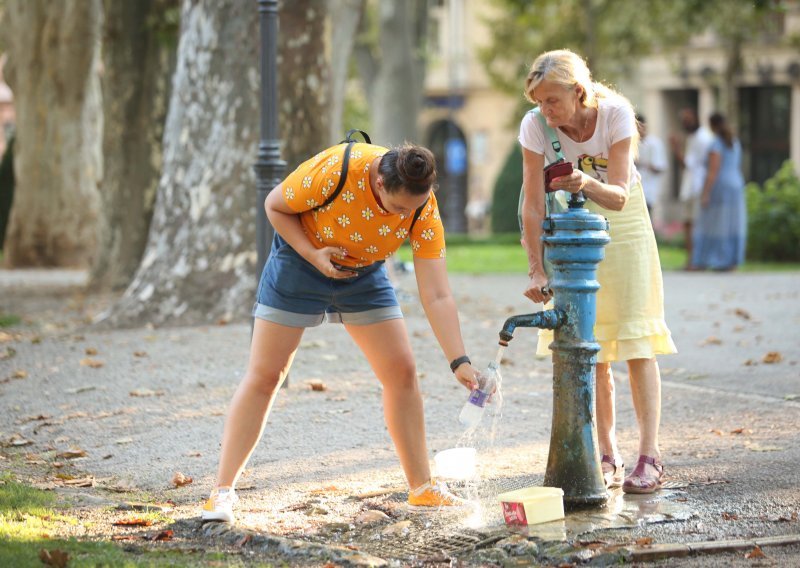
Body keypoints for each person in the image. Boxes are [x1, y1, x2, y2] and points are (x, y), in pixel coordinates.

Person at [201, 139, 479, 523]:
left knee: (402, 372)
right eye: (399, 208)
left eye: (413, 208)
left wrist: (458, 360)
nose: (405, 216)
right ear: (380, 183)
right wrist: (311, 253)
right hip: (300, 262)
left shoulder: (421, 206)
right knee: (267, 375)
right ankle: (222, 492)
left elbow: (436, 293)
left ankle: (421, 488)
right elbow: (275, 205)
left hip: (363, 273)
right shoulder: (338, 169)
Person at [518, 49, 677, 494]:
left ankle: (650, 455)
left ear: (578, 91)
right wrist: (535, 269)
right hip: (568, 227)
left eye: (552, 101)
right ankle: (604, 454)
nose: (544, 112)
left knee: (636, 339)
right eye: (538, 101)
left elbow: (621, 196)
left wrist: (585, 182)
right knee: (592, 346)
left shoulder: (615, 115)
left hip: (623, 226)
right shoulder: (535, 127)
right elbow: (531, 204)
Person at [691, 112, 747, 271]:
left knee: (717, 223)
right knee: (732, 223)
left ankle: (717, 259)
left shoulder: (716, 144)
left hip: (721, 186)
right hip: (736, 184)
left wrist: (705, 193)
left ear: (711, 125)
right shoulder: (734, 142)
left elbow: (713, 171)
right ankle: (731, 260)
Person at [670, 108, 714, 269]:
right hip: (690, 187)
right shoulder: (693, 137)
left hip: (698, 187)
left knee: (694, 225)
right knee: (688, 224)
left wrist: (675, 148)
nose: (685, 123)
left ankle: (697, 261)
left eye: (687, 120)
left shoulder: (702, 138)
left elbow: (688, 164)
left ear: (695, 119)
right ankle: (692, 261)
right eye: (683, 120)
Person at [634, 114, 667, 221]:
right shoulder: (632, 142)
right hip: (634, 188)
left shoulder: (655, 143)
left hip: (649, 189)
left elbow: (659, 167)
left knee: (647, 218)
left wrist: (642, 163)